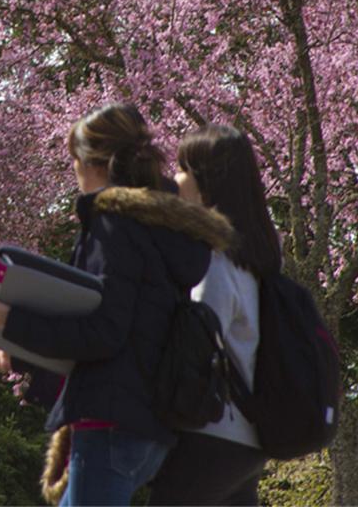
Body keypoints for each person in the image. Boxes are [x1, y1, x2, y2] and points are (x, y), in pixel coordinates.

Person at [0, 103, 235, 506]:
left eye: (74, 160)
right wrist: (18, 349)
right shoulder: (166, 227)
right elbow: (128, 330)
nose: (74, 172)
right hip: (149, 425)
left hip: (109, 423)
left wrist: (11, 321)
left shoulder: (114, 224)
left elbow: (102, 333)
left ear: (93, 163)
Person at [147, 124, 283, 506]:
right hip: (251, 440)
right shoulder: (262, 257)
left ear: (206, 182)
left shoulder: (215, 261)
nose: (175, 179)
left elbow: (196, 347)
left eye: (182, 168)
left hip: (214, 433)